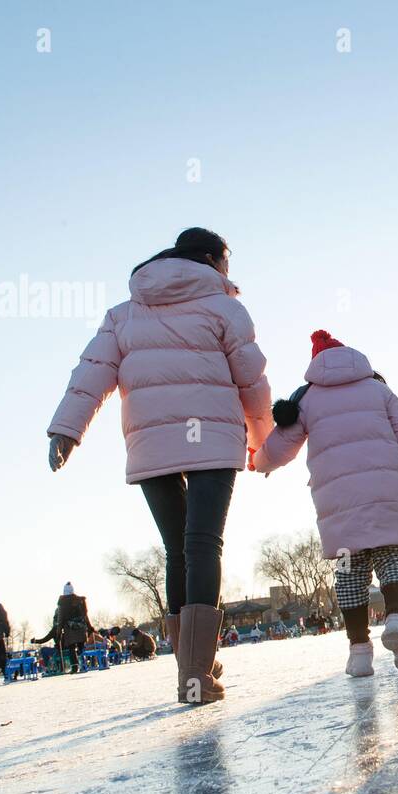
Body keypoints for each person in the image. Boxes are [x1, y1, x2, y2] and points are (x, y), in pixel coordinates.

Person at [47, 228, 272, 705]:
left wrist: (66, 430)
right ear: (214, 259)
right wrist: (262, 441)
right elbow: (251, 379)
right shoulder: (225, 306)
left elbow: (91, 374)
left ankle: (194, 672)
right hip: (212, 436)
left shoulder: (123, 314)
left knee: (177, 549)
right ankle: (196, 674)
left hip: (152, 443)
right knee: (203, 543)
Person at [255, 330, 398, 678]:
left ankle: (359, 651)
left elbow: (281, 446)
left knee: (349, 572)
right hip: (385, 492)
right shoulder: (379, 389)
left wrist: (259, 462)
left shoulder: (308, 399)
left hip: (337, 504)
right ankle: (397, 618)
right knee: (393, 557)